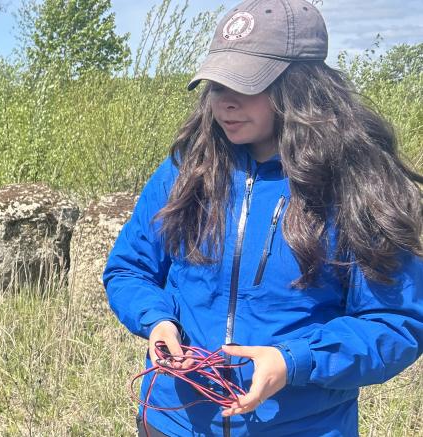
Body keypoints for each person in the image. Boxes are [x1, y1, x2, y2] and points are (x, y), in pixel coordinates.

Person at [104, 0, 423, 435]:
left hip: (302, 426)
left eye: (246, 85)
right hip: (174, 421)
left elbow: (394, 323)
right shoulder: (187, 169)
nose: (226, 103)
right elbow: (130, 268)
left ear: (302, 87)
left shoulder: (358, 185)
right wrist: (157, 319)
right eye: (217, 85)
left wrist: (293, 361)